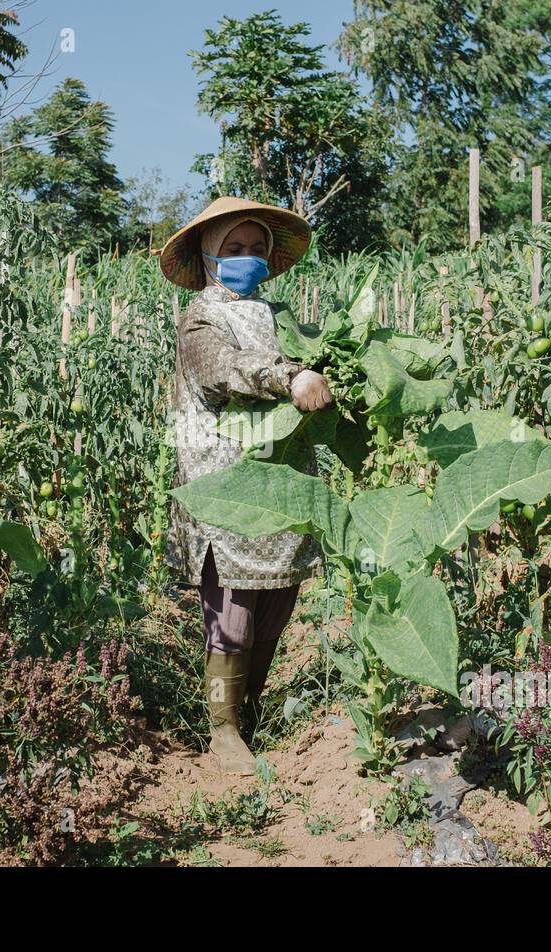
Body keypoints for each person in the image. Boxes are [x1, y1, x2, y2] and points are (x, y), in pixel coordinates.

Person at [158, 197, 334, 775]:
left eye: (257, 249)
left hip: (279, 477)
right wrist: (289, 375)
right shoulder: (201, 320)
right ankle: (223, 729)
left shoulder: (275, 314)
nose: (247, 259)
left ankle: (251, 708)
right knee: (232, 611)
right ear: (208, 257)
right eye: (234, 249)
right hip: (224, 481)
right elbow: (223, 368)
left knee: (276, 602)